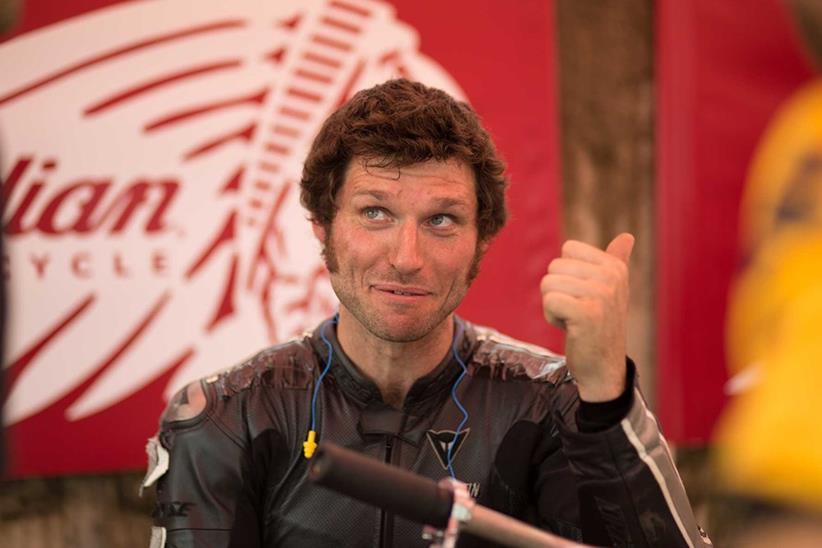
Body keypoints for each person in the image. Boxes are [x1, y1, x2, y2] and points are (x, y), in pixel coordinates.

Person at [143, 79, 709, 547]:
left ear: (481, 239)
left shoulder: (552, 404)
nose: (407, 258)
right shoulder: (225, 414)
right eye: (375, 212)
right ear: (322, 227)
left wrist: (607, 397)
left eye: (441, 220)